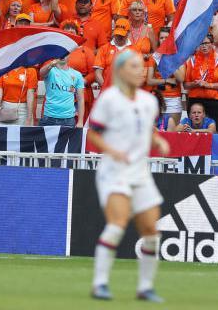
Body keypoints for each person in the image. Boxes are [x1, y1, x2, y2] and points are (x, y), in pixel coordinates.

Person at [87, 50, 170, 303]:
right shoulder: (109, 99)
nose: (141, 70)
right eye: (134, 66)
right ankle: (99, 283)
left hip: (140, 172)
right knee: (117, 224)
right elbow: (93, 134)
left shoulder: (149, 101)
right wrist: (113, 151)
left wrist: (157, 141)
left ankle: (145, 287)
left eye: (142, 65)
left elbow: (144, 130)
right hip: (114, 171)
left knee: (152, 233)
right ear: (121, 70)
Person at [39, 57, 86, 126]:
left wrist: (80, 121)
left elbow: (81, 99)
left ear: (69, 55)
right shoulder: (50, 70)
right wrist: (51, 64)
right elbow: (41, 73)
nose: (63, 56)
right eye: (61, 54)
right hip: (49, 117)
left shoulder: (77, 74)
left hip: (68, 119)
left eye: (66, 54)